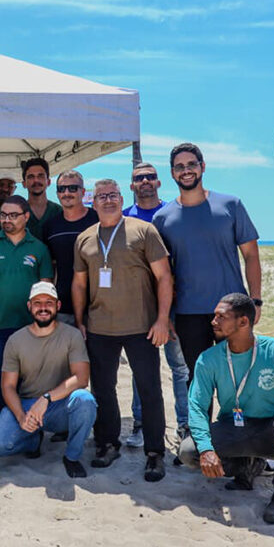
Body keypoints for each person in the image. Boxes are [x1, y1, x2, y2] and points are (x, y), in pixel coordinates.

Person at [178, 293, 274, 524]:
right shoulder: (208, 359)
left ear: (243, 322)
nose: (213, 322)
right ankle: (247, 465)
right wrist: (205, 449)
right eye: (215, 316)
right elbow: (197, 407)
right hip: (234, 428)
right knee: (188, 452)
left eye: (221, 317)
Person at [72, 179, 172, 481]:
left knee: (150, 390)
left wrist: (162, 319)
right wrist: (79, 321)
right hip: (100, 327)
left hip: (141, 326)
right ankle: (107, 444)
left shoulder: (144, 231)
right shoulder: (85, 238)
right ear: (93, 202)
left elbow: (164, 277)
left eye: (113, 195)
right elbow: (79, 283)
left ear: (121, 197)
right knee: (103, 389)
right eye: (101, 197)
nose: (108, 201)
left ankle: (155, 453)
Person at [152, 143, 262, 387]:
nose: (186, 170)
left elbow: (251, 256)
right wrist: (166, 314)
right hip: (188, 314)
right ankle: (202, 427)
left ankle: (239, 427)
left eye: (191, 164)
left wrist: (255, 301)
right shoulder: (162, 218)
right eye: (179, 167)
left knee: (240, 378)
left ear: (202, 167)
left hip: (233, 310)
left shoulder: (231, 205)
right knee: (199, 381)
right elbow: (163, 274)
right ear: (172, 173)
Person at [0, 282, 97, 477]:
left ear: (58, 306)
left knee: (85, 401)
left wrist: (46, 398)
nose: (43, 307)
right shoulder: (16, 340)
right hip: (28, 406)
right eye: (37, 303)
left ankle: (71, 457)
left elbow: (81, 378)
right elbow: (8, 386)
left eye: (49, 302)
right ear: (29, 306)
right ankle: (32, 440)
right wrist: (21, 416)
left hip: (60, 405)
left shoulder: (72, 335)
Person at [121, 163, 191, 447]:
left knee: (180, 367)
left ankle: (185, 426)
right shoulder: (124, 218)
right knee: (141, 368)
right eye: (139, 178)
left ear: (159, 182)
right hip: (139, 304)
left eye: (150, 177)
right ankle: (140, 424)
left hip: (176, 302)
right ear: (132, 186)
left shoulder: (174, 214)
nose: (145, 181)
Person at [0, 195, 53, 416]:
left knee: (30, 378)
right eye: (4, 214)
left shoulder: (39, 248)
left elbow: (46, 290)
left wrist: (44, 324)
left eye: (13, 215)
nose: (7, 219)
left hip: (29, 327)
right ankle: (2, 423)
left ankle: (32, 426)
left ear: (26, 217)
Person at [40, 170, 98, 327]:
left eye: (73, 188)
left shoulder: (98, 220)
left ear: (83, 191)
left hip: (97, 308)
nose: (67, 193)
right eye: (62, 189)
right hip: (63, 308)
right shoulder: (50, 226)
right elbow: (49, 268)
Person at [21, 157, 63, 240]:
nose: (36, 180)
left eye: (40, 176)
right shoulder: (18, 213)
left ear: (48, 182)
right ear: (24, 184)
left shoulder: (59, 212)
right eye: (31, 177)